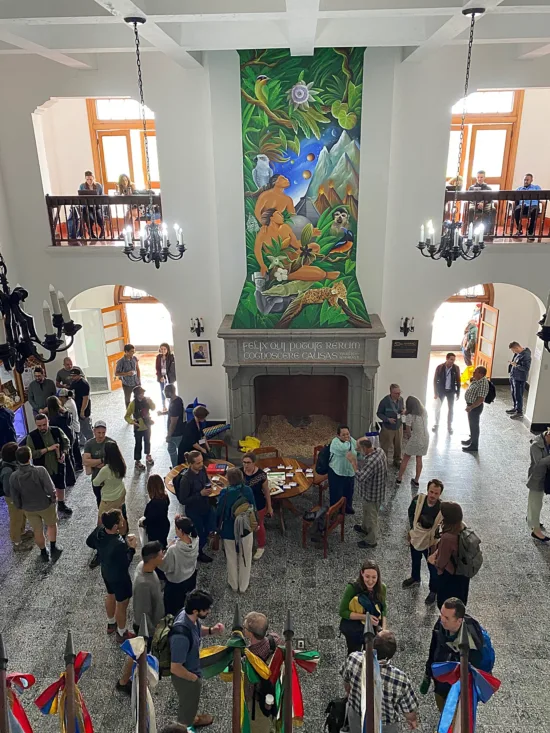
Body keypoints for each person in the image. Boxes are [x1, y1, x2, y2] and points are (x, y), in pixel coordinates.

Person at [341, 630, 419, 733]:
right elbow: (409, 710)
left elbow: (347, 685)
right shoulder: (400, 679)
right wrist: (412, 720)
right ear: (390, 654)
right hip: (385, 726)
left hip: (357, 717)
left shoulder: (353, 659)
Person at [170, 590, 224, 728]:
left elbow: (197, 629)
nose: (208, 612)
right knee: (186, 707)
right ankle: (185, 726)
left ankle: (192, 717)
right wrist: (194, 679)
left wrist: (211, 630)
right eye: (206, 610)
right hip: (186, 677)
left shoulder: (188, 616)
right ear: (195, 611)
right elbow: (175, 667)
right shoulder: (180, 637)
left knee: (191, 703)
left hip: (192, 670)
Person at [421, 598, 484, 712]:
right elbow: (433, 650)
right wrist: (428, 673)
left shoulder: (472, 643)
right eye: (441, 614)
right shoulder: (440, 626)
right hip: (440, 683)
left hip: (459, 691)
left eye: (447, 618)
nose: (441, 619)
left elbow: (476, 669)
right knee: (443, 710)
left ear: (459, 621)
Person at [85, 508, 137, 643]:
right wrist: (131, 548)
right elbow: (126, 563)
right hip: (119, 577)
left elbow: (89, 542)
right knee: (122, 604)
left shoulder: (100, 530)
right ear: (115, 526)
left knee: (110, 594)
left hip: (106, 571)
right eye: (121, 519)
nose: (123, 520)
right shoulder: (118, 544)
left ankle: (111, 623)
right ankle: (122, 632)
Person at [10, 445, 62, 560]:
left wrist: (20, 506)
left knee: (37, 530)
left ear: (17, 459)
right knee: (51, 525)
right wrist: (54, 499)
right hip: (45, 504)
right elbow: (50, 488)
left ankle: (43, 552)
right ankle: (54, 548)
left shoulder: (14, 476)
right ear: (30, 457)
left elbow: (15, 495)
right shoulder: (40, 470)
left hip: (28, 508)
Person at [402, 479, 444, 605]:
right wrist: (413, 529)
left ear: (440, 494)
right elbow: (410, 513)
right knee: (415, 559)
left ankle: (433, 591)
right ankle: (415, 577)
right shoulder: (418, 500)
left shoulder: (441, 508)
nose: (432, 496)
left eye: (436, 493)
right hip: (416, 537)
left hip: (431, 542)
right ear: (427, 490)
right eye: (431, 492)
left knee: (432, 567)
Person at [216, 467, 256, 593]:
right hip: (245, 528)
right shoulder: (247, 490)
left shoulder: (224, 493)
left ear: (228, 479)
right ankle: (244, 585)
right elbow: (253, 507)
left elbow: (219, 513)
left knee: (231, 556)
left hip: (228, 530)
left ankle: (233, 584)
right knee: (246, 555)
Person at [26, 413, 72, 515]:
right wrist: (48, 449)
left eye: (44, 424)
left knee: (61, 484)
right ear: (36, 425)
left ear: (48, 422)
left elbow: (66, 442)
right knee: (45, 487)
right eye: (39, 426)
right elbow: (31, 454)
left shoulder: (56, 430)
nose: (42, 427)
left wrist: (64, 453)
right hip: (43, 467)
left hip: (57, 464)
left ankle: (61, 503)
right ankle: (48, 507)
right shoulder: (31, 437)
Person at [339, 560, 387, 655]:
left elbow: (383, 609)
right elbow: (343, 612)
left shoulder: (382, 588)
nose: (370, 581)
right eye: (367, 576)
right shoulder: (352, 588)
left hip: (373, 629)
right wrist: (366, 617)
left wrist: (383, 631)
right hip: (354, 629)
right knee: (354, 654)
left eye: (374, 577)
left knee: (370, 654)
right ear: (362, 574)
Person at [174, 451, 215, 563]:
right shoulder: (186, 480)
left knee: (208, 528)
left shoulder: (202, 470)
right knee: (199, 533)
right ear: (191, 464)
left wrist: (209, 487)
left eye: (201, 461)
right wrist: (200, 494)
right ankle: (198, 553)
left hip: (205, 506)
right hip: (194, 511)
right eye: (198, 463)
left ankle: (202, 545)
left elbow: (206, 480)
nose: (201, 465)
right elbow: (183, 500)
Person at [243, 612, 281, 733]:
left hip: (258, 700)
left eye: (245, 628)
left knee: (258, 727)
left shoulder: (249, 657)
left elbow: (248, 689)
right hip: (275, 691)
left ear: (250, 633)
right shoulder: (275, 640)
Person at [428, 501, 470, 608]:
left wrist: (433, 560)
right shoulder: (463, 527)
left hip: (450, 577)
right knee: (459, 603)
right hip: (463, 574)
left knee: (445, 604)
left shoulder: (448, 537)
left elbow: (441, 563)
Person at [352, 438, 387, 549]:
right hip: (375, 491)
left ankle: (371, 540)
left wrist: (353, 464)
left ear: (365, 448)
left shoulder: (371, 461)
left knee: (372, 517)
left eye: (359, 449)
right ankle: (364, 528)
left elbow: (361, 477)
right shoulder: (379, 451)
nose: (358, 452)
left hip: (372, 495)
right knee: (366, 511)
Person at [161, 515, 199, 616]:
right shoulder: (196, 540)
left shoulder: (174, 549)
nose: (175, 530)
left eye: (176, 528)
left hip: (176, 582)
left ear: (181, 530)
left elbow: (165, 566)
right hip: (190, 576)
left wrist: (167, 548)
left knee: (172, 608)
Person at [1, 442, 33, 551]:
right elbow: (7, 489)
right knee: (16, 518)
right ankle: (16, 542)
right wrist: (15, 498)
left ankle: (22, 532)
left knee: (22, 515)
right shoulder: (7, 470)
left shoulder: (11, 464)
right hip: (12, 498)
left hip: (18, 495)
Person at [242, 452, 272, 560]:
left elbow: (266, 491)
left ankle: (260, 546)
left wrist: (270, 506)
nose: (246, 465)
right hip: (244, 505)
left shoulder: (261, 475)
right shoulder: (240, 473)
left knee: (259, 526)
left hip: (258, 504)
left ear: (254, 463)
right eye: (244, 462)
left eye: (248, 463)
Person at [92, 441, 128, 534]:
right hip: (121, 493)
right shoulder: (121, 463)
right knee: (119, 515)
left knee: (101, 518)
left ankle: (99, 537)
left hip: (109, 498)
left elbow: (95, 483)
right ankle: (123, 534)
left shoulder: (106, 470)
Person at [396, 396, 429, 488]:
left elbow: (408, 431)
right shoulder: (424, 412)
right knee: (419, 458)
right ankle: (416, 480)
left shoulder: (410, 416)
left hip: (416, 438)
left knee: (406, 458)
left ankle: (399, 478)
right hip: (426, 437)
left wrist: (409, 438)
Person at [132, 541, 165, 634]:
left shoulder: (143, 565)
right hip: (149, 630)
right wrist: (153, 632)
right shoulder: (143, 585)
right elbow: (142, 613)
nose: (163, 557)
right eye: (161, 555)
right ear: (152, 559)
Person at [45, 395, 76, 487]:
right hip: (69, 434)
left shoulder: (52, 418)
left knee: (65, 458)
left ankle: (69, 479)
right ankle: (72, 476)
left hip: (61, 439)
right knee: (70, 455)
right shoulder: (65, 413)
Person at [526, 429, 550, 542]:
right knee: (536, 503)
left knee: (534, 503)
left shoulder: (547, 443)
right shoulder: (536, 445)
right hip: (536, 478)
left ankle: (531, 518)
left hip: (545, 478)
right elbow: (539, 462)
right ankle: (536, 530)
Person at [327, 425, 357, 514]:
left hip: (349, 471)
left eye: (348, 434)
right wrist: (350, 442)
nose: (346, 436)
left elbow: (357, 449)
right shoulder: (335, 442)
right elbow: (344, 449)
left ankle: (347, 508)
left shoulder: (351, 440)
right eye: (343, 435)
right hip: (337, 472)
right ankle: (335, 511)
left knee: (349, 491)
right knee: (336, 493)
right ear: (338, 435)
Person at [125, 386, 155, 470]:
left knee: (147, 441)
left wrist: (150, 402)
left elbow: (153, 408)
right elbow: (127, 416)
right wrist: (132, 422)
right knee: (138, 444)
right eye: (139, 394)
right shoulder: (133, 404)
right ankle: (137, 460)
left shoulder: (147, 400)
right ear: (136, 395)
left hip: (147, 425)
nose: (142, 395)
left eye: (142, 393)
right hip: (138, 428)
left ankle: (148, 454)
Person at [376, 384, 404, 469]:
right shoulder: (384, 402)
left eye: (399, 393)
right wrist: (387, 419)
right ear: (391, 393)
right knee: (385, 446)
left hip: (398, 426)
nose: (398, 395)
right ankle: (384, 462)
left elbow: (401, 408)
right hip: (388, 428)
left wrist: (403, 410)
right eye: (396, 393)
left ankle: (397, 460)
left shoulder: (401, 399)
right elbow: (379, 413)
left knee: (398, 445)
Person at [462, 366, 489, 452]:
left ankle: (474, 445)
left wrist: (471, 407)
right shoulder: (477, 380)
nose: (473, 373)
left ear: (481, 374)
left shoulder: (483, 383)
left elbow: (480, 399)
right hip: (470, 405)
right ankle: (472, 439)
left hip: (475, 407)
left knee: (474, 426)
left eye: (475, 372)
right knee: (471, 424)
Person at [433, 352, 461, 433]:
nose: (452, 361)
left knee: (451, 409)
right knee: (438, 408)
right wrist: (435, 392)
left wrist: (458, 392)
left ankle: (449, 425)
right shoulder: (440, 367)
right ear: (447, 359)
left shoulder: (456, 368)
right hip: (441, 391)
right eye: (451, 359)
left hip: (451, 391)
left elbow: (458, 380)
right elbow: (435, 380)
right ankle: (436, 424)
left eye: (453, 360)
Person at [142, 474, 170, 548]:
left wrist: (142, 523)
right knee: (163, 543)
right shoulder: (165, 498)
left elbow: (149, 518)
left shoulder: (152, 505)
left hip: (155, 530)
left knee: (155, 548)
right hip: (164, 525)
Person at [58, 388, 82, 472]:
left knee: (75, 448)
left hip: (73, 428)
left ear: (65, 397)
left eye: (60, 398)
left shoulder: (68, 405)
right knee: (76, 447)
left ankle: (79, 464)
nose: (60, 399)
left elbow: (63, 413)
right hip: (75, 427)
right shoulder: (71, 401)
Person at [506, 341, 532, 419]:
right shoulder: (518, 354)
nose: (513, 352)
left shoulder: (526, 356)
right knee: (514, 393)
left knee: (518, 395)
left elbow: (526, 368)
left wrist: (516, 365)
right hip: (514, 376)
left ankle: (519, 411)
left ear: (517, 348)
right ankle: (515, 408)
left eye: (513, 350)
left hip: (520, 378)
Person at [513, 173, 541, 240]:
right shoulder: (520, 188)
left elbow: (541, 196)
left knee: (534, 211)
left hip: (533, 206)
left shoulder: (536, 187)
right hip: (523, 206)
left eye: (527, 180)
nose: (526, 181)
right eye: (525, 180)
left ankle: (530, 232)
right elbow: (513, 197)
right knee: (516, 210)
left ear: (531, 180)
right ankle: (519, 230)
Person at [79, 170, 105, 239]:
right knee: (89, 218)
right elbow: (80, 197)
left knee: (99, 216)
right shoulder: (82, 186)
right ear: (85, 179)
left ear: (93, 178)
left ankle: (103, 231)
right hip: (87, 206)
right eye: (87, 179)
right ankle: (91, 233)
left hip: (96, 206)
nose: (89, 181)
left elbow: (102, 196)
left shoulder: (98, 185)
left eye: (90, 179)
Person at [165, 384, 185, 468]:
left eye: (165, 391)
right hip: (180, 430)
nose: (164, 393)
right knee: (173, 449)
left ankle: (177, 467)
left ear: (169, 392)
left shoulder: (174, 404)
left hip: (176, 433)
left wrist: (169, 435)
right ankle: (177, 466)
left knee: (174, 450)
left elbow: (173, 422)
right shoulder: (178, 400)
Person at [70, 367, 92, 442]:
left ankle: (91, 441)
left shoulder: (83, 384)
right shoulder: (74, 383)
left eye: (74, 376)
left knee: (86, 427)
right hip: (76, 408)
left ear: (79, 375)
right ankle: (82, 442)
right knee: (79, 427)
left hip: (83, 409)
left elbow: (85, 398)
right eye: (72, 376)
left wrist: (82, 411)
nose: (73, 377)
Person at [116, 344, 141, 409]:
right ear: (126, 352)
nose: (133, 353)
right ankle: (128, 414)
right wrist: (127, 373)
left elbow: (137, 369)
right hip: (127, 384)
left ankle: (138, 411)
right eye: (131, 351)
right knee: (127, 400)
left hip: (136, 382)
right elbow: (116, 373)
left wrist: (139, 380)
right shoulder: (121, 362)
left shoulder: (134, 358)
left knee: (139, 397)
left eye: (133, 351)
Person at [156, 343, 176, 414]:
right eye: (161, 349)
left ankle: (172, 405)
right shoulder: (158, 357)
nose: (163, 350)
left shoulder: (171, 357)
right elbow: (157, 368)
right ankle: (164, 405)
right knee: (162, 391)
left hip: (169, 377)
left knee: (170, 391)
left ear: (167, 349)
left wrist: (166, 377)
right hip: (161, 377)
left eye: (164, 349)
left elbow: (172, 368)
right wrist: (160, 376)